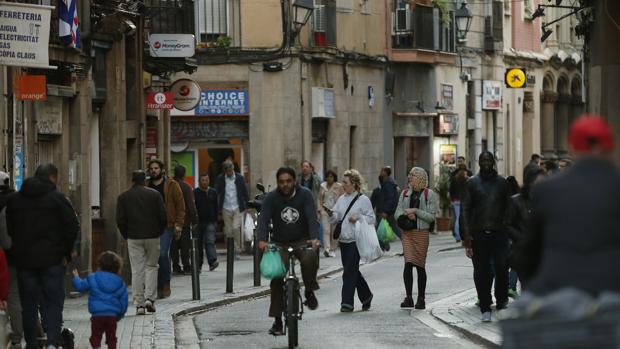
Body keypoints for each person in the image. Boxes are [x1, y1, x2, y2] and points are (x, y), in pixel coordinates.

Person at [514, 115, 620, 296]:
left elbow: (529, 252)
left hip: (560, 295)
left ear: (571, 148)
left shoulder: (548, 190)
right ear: (611, 148)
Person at [6, 163, 80, 348]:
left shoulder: (16, 200)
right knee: (53, 302)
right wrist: (66, 252)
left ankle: (31, 343)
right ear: (53, 178)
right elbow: (72, 226)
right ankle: (53, 342)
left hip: (25, 261)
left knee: (28, 304)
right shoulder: (57, 199)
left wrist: (19, 249)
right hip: (53, 260)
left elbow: (10, 227)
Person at [256, 167, 320, 336]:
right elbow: (263, 218)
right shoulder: (272, 198)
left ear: (294, 181)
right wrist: (262, 240)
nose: (285, 185)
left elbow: (312, 217)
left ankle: (309, 290)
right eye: (281, 182)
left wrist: (314, 238)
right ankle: (277, 320)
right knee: (277, 276)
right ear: (278, 183)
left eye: (288, 181)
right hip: (279, 242)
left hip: (302, 240)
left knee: (309, 258)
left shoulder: (305, 194)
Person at [460, 152, 511, 322]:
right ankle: (485, 306)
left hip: (499, 233)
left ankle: (502, 302)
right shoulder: (471, 183)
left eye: (489, 160)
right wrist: (466, 235)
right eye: (483, 160)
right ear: (479, 162)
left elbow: (508, 208)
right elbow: (465, 210)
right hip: (479, 234)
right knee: (482, 272)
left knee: (502, 269)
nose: (486, 163)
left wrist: (508, 229)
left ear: (494, 162)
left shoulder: (502, 183)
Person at [116, 170, 166, 315]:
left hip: (133, 237)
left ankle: (139, 304)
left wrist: (126, 235)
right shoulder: (154, 195)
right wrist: (159, 231)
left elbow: (120, 219)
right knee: (152, 266)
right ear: (145, 180)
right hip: (152, 235)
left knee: (137, 270)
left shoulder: (123, 197)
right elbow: (163, 216)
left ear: (132, 180)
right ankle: (150, 298)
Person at [327, 169, 375, 313]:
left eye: (345, 182)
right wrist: (331, 213)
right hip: (344, 241)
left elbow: (372, 219)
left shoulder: (363, 200)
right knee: (353, 271)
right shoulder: (341, 199)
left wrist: (359, 217)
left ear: (354, 183)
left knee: (348, 272)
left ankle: (346, 303)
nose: (342, 185)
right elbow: (336, 217)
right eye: (342, 182)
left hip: (356, 241)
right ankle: (366, 296)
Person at [395, 167, 437, 309]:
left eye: (412, 175)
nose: (409, 177)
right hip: (407, 233)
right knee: (408, 263)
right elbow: (397, 212)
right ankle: (408, 297)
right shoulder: (405, 193)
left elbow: (431, 216)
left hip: (421, 233)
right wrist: (406, 215)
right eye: (409, 175)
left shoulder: (428, 194)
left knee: (420, 266)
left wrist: (416, 212)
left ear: (419, 177)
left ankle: (421, 298)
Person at [72, 251, 128, 349]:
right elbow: (124, 302)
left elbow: (81, 287)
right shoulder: (120, 283)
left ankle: (96, 347)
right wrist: (119, 315)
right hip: (112, 316)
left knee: (96, 336)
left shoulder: (93, 277)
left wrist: (76, 278)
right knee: (111, 338)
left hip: (97, 316)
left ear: (100, 265)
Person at [146, 159, 185, 299]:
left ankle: (165, 283)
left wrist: (179, 224)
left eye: (156, 168)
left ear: (162, 170)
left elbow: (180, 205)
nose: (154, 171)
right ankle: (155, 285)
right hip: (150, 227)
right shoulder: (147, 185)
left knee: (162, 253)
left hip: (167, 225)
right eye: (151, 168)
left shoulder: (171, 184)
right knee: (151, 257)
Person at [505, 166, 545, 299]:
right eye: (537, 182)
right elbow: (508, 225)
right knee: (528, 287)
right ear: (529, 182)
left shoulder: (548, 200)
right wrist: (522, 239)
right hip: (525, 252)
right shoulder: (517, 201)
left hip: (544, 252)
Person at [215, 161, 249, 258]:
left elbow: (244, 191)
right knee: (229, 230)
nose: (230, 173)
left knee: (235, 228)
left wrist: (247, 204)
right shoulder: (220, 179)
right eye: (228, 171)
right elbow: (216, 191)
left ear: (233, 169)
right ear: (225, 171)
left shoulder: (239, 178)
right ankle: (231, 249)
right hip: (226, 207)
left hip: (237, 206)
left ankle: (237, 249)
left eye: (231, 170)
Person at [171, 166, 199, 274]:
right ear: (184, 174)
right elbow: (190, 205)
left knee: (173, 246)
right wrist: (195, 219)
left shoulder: (170, 185)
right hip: (184, 220)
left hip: (172, 220)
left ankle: (176, 267)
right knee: (184, 245)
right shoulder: (186, 187)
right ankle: (186, 266)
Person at [194, 173, 219, 271]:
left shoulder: (213, 192)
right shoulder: (195, 192)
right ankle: (198, 264)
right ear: (199, 182)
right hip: (198, 222)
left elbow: (216, 207)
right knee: (198, 244)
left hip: (210, 221)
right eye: (202, 180)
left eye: (206, 180)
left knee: (210, 241)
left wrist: (216, 220)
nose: (204, 182)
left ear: (209, 181)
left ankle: (212, 261)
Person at [317, 169, 343, 258]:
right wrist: (319, 208)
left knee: (334, 231)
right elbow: (319, 198)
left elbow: (342, 198)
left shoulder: (339, 186)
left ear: (334, 177)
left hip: (335, 211)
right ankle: (327, 249)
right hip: (325, 210)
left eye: (331, 176)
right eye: (328, 176)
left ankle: (333, 249)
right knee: (326, 230)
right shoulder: (323, 186)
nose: (329, 178)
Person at [375, 166, 402, 244]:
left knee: (379, 229)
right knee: (392, 227)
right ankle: (384, 246)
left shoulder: (389, 184)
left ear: (386, 173)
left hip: (387, 211)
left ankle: (382, 246)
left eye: (382, 171)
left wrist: (386, 211)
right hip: (388, 211)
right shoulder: (388, 183)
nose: (380, 172)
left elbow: (390, 199)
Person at [449, 165, 469, 243]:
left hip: (455, 201)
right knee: (461, 218)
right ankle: (460, 235)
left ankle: (457, 236)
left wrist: (452, 199)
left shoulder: (455, 179)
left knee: (457, 218)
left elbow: (451, 190)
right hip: (462, 200)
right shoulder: (466, 179)